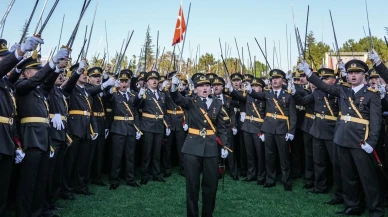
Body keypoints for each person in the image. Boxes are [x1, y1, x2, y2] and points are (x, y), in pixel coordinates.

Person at [299, 59, 384, 216]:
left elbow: (376, 122)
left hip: (361, 141)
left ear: (363, 75)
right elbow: (324, 86)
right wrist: (309, 73)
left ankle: (376, 209)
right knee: (348, 175)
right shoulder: (343, 90)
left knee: (367, 177)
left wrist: (371, 142)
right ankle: (353, 205)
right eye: (350, 73)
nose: (353, 76)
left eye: (357, 73)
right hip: (342, 139)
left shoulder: (372, 95)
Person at [15, 45, 68, 217]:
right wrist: (51, 63)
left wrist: (57, 67)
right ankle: (24, 213)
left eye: (39, 69)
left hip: (44, 139)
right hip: (31, 139)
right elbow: (36, 81)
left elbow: (47, 82)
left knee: (40, 179)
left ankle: (38, 212)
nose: (38, 72)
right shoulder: (21, 86)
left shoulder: (39, 91)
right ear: (25, 73)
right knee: (28, 182)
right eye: (34, 70)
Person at [170, 74, 228, 217]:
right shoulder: (190, 101)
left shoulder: (217, 103)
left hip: (211, 148)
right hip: (192, 147)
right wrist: (173, 87)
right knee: (192, 186)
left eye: (207, 86)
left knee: (211, 186)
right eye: (201, 86)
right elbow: (177, 98)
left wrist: (224, 146)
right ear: (195, 89)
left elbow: (222, 127)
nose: (205, 88)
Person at [0, 38, 36, 217]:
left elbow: (10, 118)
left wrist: (16, 144)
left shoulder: (6, 84)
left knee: (3, 187)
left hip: (6, 141)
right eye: (2, 59)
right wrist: (19, 52)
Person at [245, 69, 297, 191]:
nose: (274, 80)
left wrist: (291, 131)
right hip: (268, 128)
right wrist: (249, 89)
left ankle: (286, 181)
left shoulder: (288, 95)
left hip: (282, 129)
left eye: (277, 78)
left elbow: (293, 116)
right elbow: (256, 95)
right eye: (273, 78)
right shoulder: (267, 93)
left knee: (284, 157)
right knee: (269, 156)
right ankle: (270, 179)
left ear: (282, 80)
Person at [107, 69, 142, 189]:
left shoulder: (133, 95)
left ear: (128, 82)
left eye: (125, 81)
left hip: (130, 128)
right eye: (121, 81)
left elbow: (135, 112)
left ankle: (130, 178)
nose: (123, 83)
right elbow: (107, 98)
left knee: (130, 155)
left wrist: (138, 128)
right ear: (118, 82)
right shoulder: (114, 94)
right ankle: (114, 180)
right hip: (118, 128)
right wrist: (111, 88)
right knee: (117, 156)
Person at [229, 77, 266, 183]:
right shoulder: (248, 96)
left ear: (261, 88)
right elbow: (238, 95)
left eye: (256, 86)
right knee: (249, 153)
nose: (254, 88)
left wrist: (264, 130)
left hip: (258, 127)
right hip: (247, 127)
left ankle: (261, 176)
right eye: (253, 86)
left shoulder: (264, 98)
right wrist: (231, 90)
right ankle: (251, 174)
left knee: (260, 154)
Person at [138, 71, 171, 184]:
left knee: (157, 152)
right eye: (151, 79)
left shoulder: (162, 94)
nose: (154, 81)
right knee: (147, 152)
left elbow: (165, 111)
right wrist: (140, 96)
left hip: (159, 126)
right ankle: (145, 175)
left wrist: (167, 125)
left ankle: (156, 174)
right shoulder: (144, 93)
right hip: (147, 125)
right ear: (147, 82)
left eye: (156, 79)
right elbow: (138, 107)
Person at [161, 71, 188, 177]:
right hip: (170, 120)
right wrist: (166, 123)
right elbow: (163, 108)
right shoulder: (165, 91)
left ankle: (183, 168)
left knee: (182, 147)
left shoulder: (183, 92)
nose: (177, 80)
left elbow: (187, 108)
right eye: (174, 78)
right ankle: (167, 168)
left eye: (179, 79)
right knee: (167, 147)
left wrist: (186, 121)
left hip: (181, 121)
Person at [213, 77, 238, 180]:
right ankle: (218, 172)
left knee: (229, 149)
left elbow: (232, 114)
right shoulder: (210, 98)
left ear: (222, 87)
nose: (216, 87)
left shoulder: (228, 99)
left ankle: (234, 172)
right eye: (214, 85)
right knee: (216, 150)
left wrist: (234, 125)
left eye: (218, 85)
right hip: (215, 127)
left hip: (227, 127)